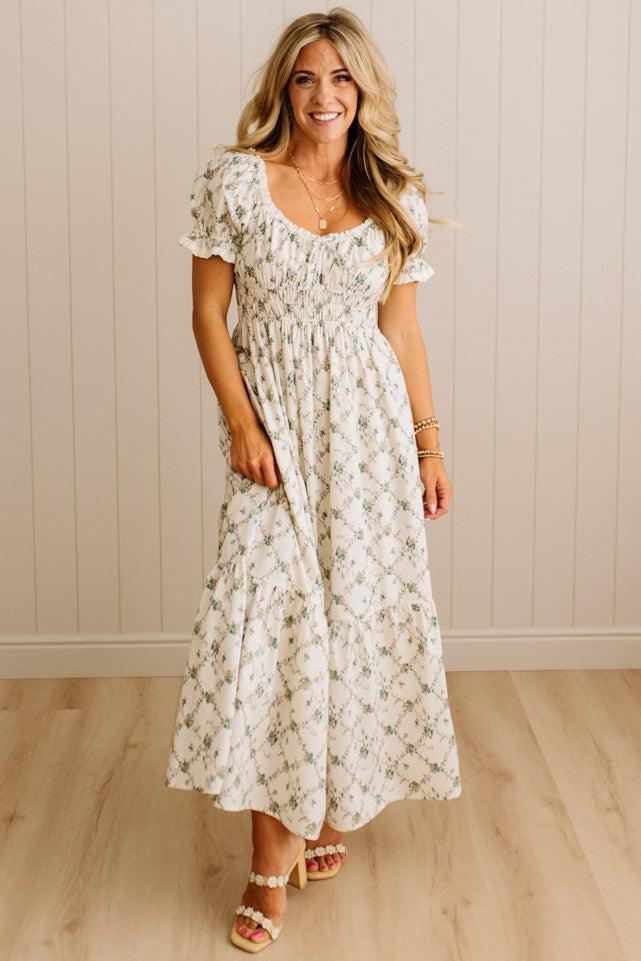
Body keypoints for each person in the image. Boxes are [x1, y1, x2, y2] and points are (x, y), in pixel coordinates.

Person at [165, 6, 462, 953]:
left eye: (340, 79)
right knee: (275, 628)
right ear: (281, 89)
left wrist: (428, 443)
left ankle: (325, 809)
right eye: (304, 78)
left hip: (368, 443)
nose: (323, 96)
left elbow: (401, 333)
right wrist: (242, 424)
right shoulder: (236, 183)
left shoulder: (394, 199)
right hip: (277, 439)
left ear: (362, 90)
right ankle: (266, 859)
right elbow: (211, 318)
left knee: (355, 625)